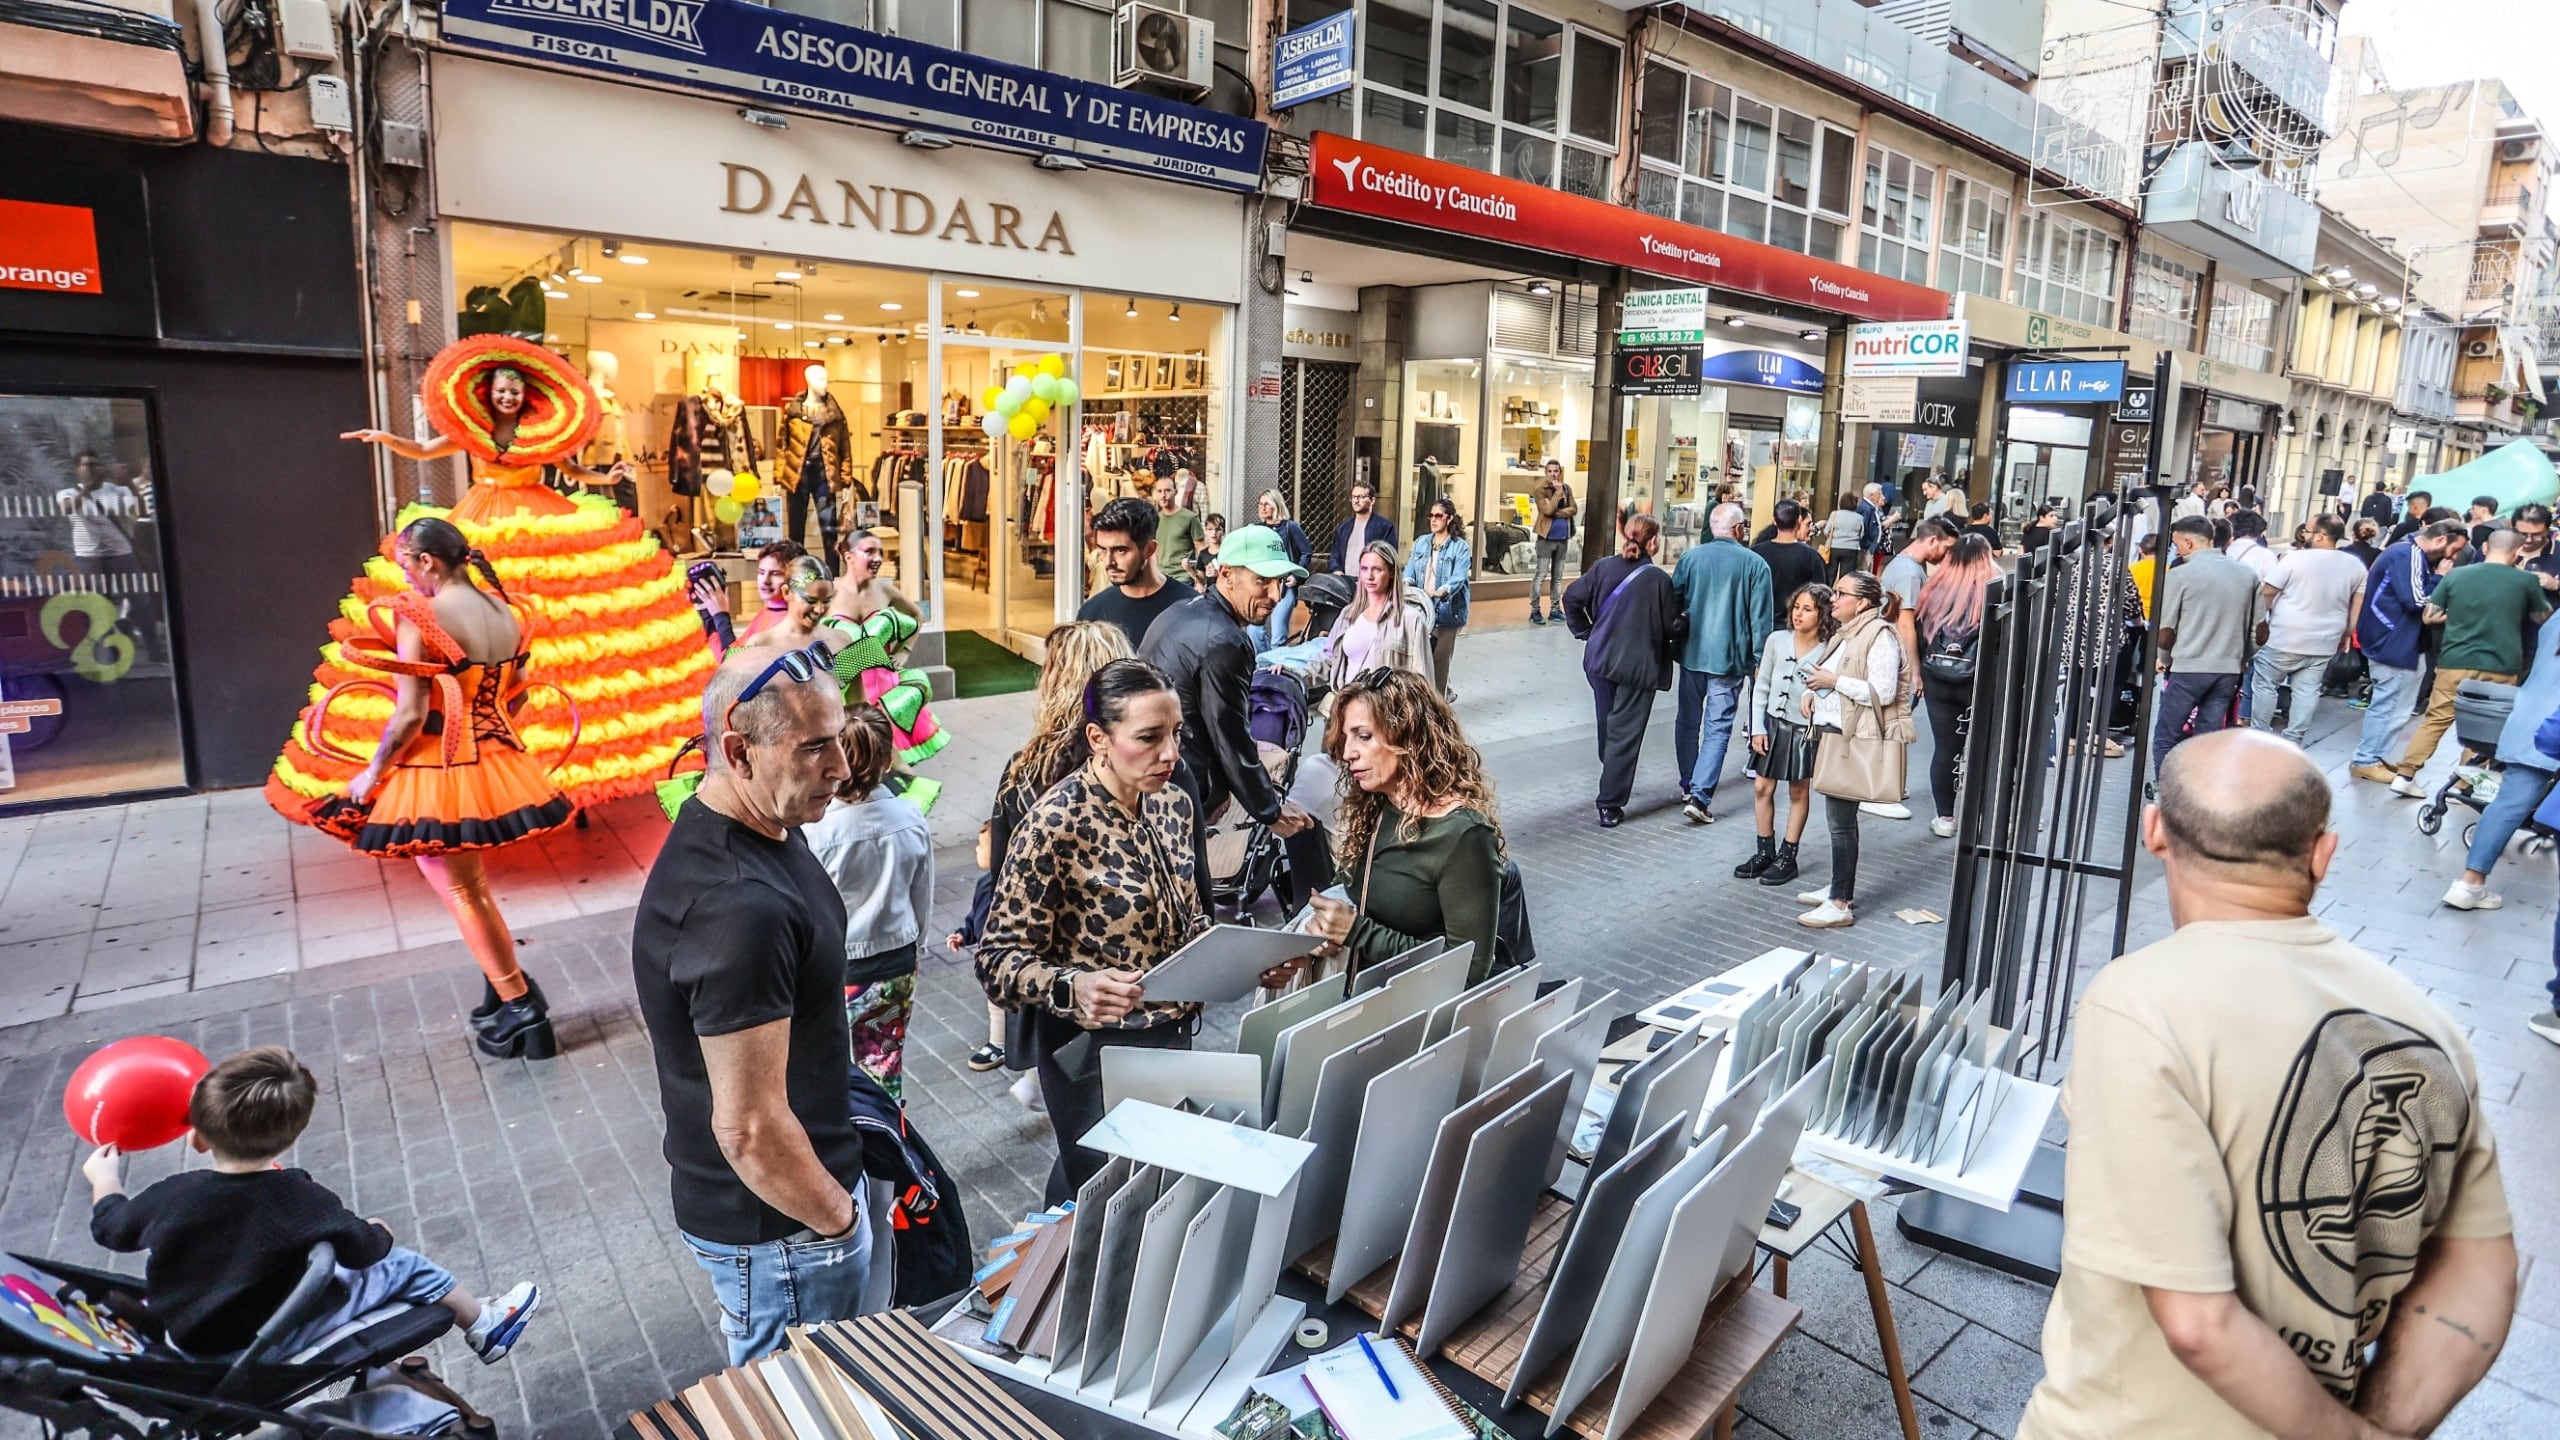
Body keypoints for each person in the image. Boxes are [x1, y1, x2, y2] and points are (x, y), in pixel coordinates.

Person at [2016, 729, 2515, 1440]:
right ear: (2322, 853)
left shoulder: (2140, 1005)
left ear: (2155, 832)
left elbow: (2197, 1322)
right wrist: (2381, 1426)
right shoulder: (2429, 1026)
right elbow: (2480, 1265)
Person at [318, 337, 707, 811]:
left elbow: (572, 470)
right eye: (501, 391)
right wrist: (385, 439)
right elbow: (422, 450)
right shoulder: (473, 432)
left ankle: (549, 718)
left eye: (515, 392)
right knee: (492, 590)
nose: (508, 398)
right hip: (482, 513)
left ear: (526, 396)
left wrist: (605, 479)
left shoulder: (540, 435)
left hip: (541, 512)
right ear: (489, 394)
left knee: (565, 608)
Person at [633, 647, 873, 1366]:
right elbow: (748, 1129)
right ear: (739, 752)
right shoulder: (739, 908)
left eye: (839, 737)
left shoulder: (759, 828)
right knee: (800, 1408)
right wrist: (839, 1223)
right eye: (814, 747)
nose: (841, 766)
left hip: (789, 1215)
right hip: (785, 1232)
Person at [283, 517, 573, 1058]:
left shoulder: (421, 614)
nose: (404, 577)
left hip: (436, 770)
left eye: (404, 564)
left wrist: (372, 774)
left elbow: (410, 715)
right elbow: (519, 697)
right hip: (496, 761)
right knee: (472, 888)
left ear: (427, 561)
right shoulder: (503, 611)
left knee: (462, 891)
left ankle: (522, 1007)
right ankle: (506, 988)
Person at [83, 1046, 539, 1362]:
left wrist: (105, 1181)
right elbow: (361, 1251)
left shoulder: (171, 1194)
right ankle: (485, 1324)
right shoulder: (294, 1194)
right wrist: (379, 1232)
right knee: (403, 1265)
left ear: (198, 1139)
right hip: (261, 1343)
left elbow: (112, 1228)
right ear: (291, 1136)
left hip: (187, 1339)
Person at [977, 659, 1207, 1204]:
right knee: (1103, 1196)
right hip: (1090, 1053)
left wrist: (1239, 958)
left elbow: (1190, 913)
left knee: (1153, 1188)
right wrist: (1073, 986)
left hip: (1170, 1038)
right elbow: (996, 959)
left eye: (1177, 733)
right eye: (1149, 737)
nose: (1171, 753)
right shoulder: (1055, 823)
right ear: (1098, 738)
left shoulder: (1173, 802)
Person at [962, 621, 1136, 1082]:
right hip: (1139, 984)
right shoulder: (1154, 767)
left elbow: (1003, 882)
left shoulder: (1028, 771)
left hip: (1062, 983)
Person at [1143, 526, 1317, 908]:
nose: (1275, 595)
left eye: (1279, 582)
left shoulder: (1182, 612)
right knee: (1189, 907)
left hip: (1154, 783)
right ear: (1226, 574)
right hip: (1179, 790)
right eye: (1261, 581)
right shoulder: (1226, 640)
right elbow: (1231, 736)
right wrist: (1269, 810)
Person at [1302, 669, 1504, 983]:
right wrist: (1327, 929)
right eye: (1345, 738)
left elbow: (1469, 970)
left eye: (1363, 736)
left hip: (1413, 1004)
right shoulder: (1374, 805)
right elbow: (1361, 898)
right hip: (1360, 992)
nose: (1347, 753)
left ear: (1408, 735)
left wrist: (1357, 932)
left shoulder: (1463, 835)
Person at [804, 705, 934, 1103]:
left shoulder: (814, 832)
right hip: (896, 961)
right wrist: (918, 947)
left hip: (839, 967)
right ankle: (889, 1130)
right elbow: (922, 894)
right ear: (886, 759)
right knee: (885, 1065)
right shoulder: (909, 815)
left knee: (830, 1067)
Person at [2392, 528, 2552, 791]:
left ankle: (2405, 775)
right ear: (2516, 553)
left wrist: (2458, 614)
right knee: (2485, 725)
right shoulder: (2525, 581)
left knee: (2436, 719)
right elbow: (2544, 617)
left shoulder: (2457, 575)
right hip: (2501, 664)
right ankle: (2465, 783)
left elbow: (2429, 616)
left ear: (2485, 548)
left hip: (2455, 660)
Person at [1796, 572, 1910, 929]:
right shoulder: (1848, 633)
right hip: (1836, 732)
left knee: (1841, 824)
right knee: (1839, 821)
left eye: (1841, 593)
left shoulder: (1879, 636)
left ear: (1862, 603)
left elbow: (1882, 692)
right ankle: (1837, 885)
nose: (1833, 599)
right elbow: (1832, 676)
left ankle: (1840, 901)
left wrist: (1833, 682)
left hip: (1855, 737)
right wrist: (1813, 692)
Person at [1565, 513, 1681, 828]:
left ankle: (1612, 769)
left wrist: (1586, 631)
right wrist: (1684, 620)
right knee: (1625, 733)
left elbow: (1571, 597)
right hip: (1637, 665)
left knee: (1608, 722)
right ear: (1653, 542)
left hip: (1599, 660)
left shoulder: (1603, 567)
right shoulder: (1658, 580)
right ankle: (1610, 802)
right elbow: (1671, 625)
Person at [2440, 608, 2560, 911]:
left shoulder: (2556, 620)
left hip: (2530, 717)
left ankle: (2469, 883)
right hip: (2553, 722)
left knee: (2508, 803)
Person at [1670, 502, 1774, 825]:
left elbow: (1674, 602)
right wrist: (1761, 660)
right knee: (1717, 728)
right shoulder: (1755, 565)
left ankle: (1688, 783)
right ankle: (1700, 796)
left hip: (1692, 653)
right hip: (1730, 658)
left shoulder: (1690, 558)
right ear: (1739, 529)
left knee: (1687, 720)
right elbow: (1761, 620)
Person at [2350, 520, 2466, 785]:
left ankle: (2373, 756)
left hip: (2396, 639)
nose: (2455, 557)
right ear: (2440, 540)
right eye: (2455, 549)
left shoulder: (2407, 553)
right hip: (2394, 641)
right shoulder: (2408, 554)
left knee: (2394, 706)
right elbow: (2418, 601)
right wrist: (2440, 577)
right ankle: (2367, 760)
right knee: (2391, 706)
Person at [1736, 583, 1835, 886]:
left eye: (1808, 609)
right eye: (1796, 607)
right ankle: (1764, 851)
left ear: (1822, 615)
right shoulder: (1776, 641)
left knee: (1798, 791)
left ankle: (1787, 856)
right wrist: (1756, 727)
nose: (1798, 614)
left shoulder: (1829, 648)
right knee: (1761, 787)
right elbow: (1761, 686)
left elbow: (1830, 691)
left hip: (1803, 729)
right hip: (1771, 724)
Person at [2154, 516, 2262, 772]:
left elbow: (2166, 630)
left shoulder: (2179, 575)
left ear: (2189, 542)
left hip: (2187, 667)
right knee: (2208, 739)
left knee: (2167, 736)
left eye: (2177, 544)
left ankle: (2167, 789)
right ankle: (2201, 789)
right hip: (2227, 670)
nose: (2176, 550)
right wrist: (2242, 658)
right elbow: (2260, 632)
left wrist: (2165, 658)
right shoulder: (2247, 575)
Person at [2250, 514, 2367, 746]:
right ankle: (2293, 741)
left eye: (2308, 531)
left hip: (2284, 636)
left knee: (2266, 685)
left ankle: (2260, 736)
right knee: (2307, 691)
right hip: (2325, 640)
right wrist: (2347, 632)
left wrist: (2258, 622)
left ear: (2321, 535)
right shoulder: (2355, 565)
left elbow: (2268, 592)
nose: (2304, 534)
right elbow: (2358, 602)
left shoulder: (2295, 559)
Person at [1913, 536, 1996, 839]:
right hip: (1980, 679)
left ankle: (1945, 817)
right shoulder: (1996, 591)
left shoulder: (1934, 590)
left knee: (1946, 748)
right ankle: (1985, 815)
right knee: (1986, 750)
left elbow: (1920, 634)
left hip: (1938, 678)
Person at [1078, 497, 1194, 649]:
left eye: (1120, 550)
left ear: (1149, 549)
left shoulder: (1190, 607)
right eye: (1103, 550)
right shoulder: (1092, 613)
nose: (1109, 562)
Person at [1320, 539, 1435, 683]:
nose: (1369, 576)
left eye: (1377, 569)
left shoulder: (1411, 620)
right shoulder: (1348, 614)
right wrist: (1296, 675)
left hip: (1387, 698)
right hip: (1347, 695)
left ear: (1392, 572)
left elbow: (1423, 681)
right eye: (1364, 569)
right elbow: (1328, 660)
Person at [692, 539, 810, 658]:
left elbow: (735, 661)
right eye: (761, 572)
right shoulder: (766, 613)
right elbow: (725, 654)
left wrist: (721, 616)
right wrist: (706, 613)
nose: (765, 581)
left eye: (775, 574)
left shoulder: (788, 623)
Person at [1407, 497, 1473, 696]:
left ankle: (1439, 701)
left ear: (1449, 518)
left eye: (1438, 516)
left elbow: (1459, 577)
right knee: (1420, 658)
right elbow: (1410, 569)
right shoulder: (1422, 542)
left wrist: (1441, 592)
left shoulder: (1459, 546)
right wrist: (1407, 583)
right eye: (1431, 516)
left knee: (1440, 660)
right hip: (1423, 607)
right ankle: (1436, 694)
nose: (1434, 520)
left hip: (1447, 611)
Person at [56, 450, 138, 577]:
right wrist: (87, 488)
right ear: (77, 470)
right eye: (88, 465)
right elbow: (67, 509)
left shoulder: (118, 490)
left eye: (96, 465)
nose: (92, 469)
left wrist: (128, 482)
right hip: (88, 557)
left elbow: (135, 514)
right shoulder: (68, 493)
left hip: (121, 554)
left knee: (130, 589)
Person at [1252, 490, 1312, 649]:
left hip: (1283, 586)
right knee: (1254, 630)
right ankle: (1262, 661)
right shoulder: (1257, 529)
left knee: (1278, 636)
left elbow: (1306, 552)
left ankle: (1274, 662)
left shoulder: (1289, 527)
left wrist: (1296, 575)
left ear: (1276, 505)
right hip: (1261, 585)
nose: (1262, 508)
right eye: (1260, 504)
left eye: (1267, 504)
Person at [1752, 500, 1828, 619]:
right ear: (1799, 520)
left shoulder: (1755, 553)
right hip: (1796, 621)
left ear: (1774, 521)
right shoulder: (1811, 557)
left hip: (1759, 619)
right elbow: (1821, 595)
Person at [1530, 461, 1577, 624]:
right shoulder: (1540, 489)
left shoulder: (1567, 488)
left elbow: (1574, 509)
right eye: (1549, 471)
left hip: (1563, 538)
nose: (1553, 474)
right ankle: (1535, 611)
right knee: (1540, 575)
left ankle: (1555, 609)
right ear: (1546, 473)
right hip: (1546, 538)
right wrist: (1557, 493)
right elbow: (1547, 510)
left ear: (1560, 472)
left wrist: (1557, 512)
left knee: (1557, 577)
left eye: (1556, 471)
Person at [1326, 481, 1398, 576]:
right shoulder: (1343, 528)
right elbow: (1335, 554)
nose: (1356, 501)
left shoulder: (1385, 527)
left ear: (1372, 500)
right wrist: (1336, 570)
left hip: (1370, 580)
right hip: (1345, 580)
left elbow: (1389, 557)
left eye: (1360, 497)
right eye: (1353, 497)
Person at [1152, 475, 1205, 588]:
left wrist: (1200, 580)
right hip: (1160, 578)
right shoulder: (1155, 519)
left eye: (1167, 491)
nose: (1163, 495)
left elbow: (1202, 550)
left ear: (1175, 492)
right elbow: (1154, 551)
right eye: (1159, 491)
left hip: (1183, 578)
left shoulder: (1190, 517)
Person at [1822, 489, 1868, 582]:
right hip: (1851, 549)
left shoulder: (1835, 514)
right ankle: (1843, 590)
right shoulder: (1859, 518)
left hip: (1834, 547)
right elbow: (1861, 534)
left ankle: (1827, 589)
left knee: (1830, 575)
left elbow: (1826, 531)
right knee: (1846, 576)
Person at [2126, 534, 2163, 619]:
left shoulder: (2131, 569)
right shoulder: (2169, 569)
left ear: (2140, 549)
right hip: (2160, 616)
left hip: (2138, 616)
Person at [1194, 512, 1226, 583]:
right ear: (1205, 531)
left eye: (1218, 529)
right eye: (1210, 529)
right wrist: (1189, 570)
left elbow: (1234, 575)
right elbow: (1201, 580)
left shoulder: (1228, 551)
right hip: (1209, 589)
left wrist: (1218, 573)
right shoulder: (1203, 554)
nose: (1214, 533)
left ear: (1223, 531)